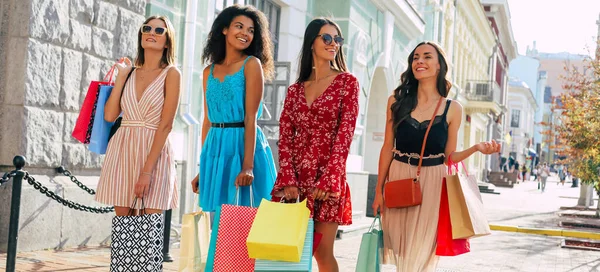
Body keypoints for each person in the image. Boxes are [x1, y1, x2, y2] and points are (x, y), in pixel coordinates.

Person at [371, 41, 500, 272]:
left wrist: (476, 148)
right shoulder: (396, 102)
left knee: (421, 252)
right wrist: (378, 190)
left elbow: (449, 157)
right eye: (415, 57)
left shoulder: (453, 108)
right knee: (403, 249)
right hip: (398, 178)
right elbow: (387, 147)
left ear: (440, 65)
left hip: (433, 183)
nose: (420, 61)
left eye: (427, 57)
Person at [271, 18, 359, 272]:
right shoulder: (296, 90)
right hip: (294, 179)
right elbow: (285, 134)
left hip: (327, 178)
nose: (334, 45)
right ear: (312, 43)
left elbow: (345, 134)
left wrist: (330, 179)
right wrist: (288, 177)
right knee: (287, 251)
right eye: (327, 38)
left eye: (338, 40)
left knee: (322, 253)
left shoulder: (347, 83)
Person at [191, 4, 277, 211]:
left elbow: (250, 118)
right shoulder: (208, 72)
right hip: (216, 147)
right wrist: (203, 169)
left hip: (242, 144)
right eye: (239, 26)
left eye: (251, 30)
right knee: (221, 219)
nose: (245, 33)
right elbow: (207, 121)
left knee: (243, 214)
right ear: (224, 29)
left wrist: (248, 166)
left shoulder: (251, 64)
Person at [96, 15, 180, 215]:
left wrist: (147, 171)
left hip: (155, 153)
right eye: (147, 28)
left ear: (168, 41)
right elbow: (109, 116)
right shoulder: (130, 73)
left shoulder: (172, 74)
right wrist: (122, 77)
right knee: (124, 229)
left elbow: (166, 125)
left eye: (159, 30)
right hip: (123, 149)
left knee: (148, 231)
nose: (151, 33)